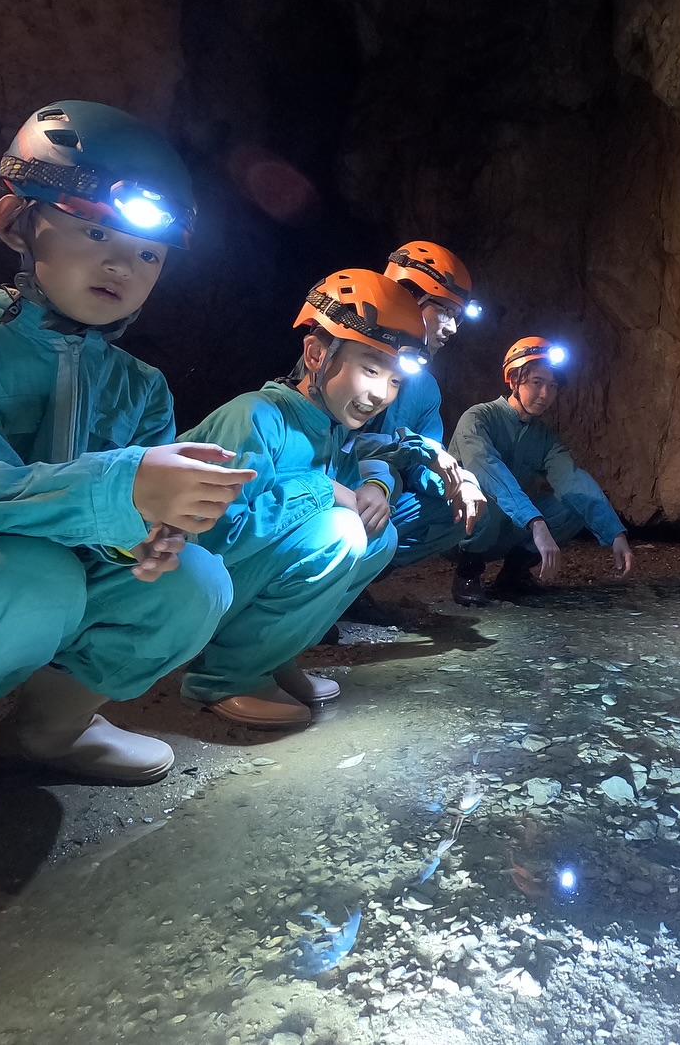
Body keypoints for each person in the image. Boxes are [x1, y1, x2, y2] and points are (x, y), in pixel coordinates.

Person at [0, 100, 254, 868]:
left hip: (31, 576)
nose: (122, 265)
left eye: (149, 254)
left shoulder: (139, 388)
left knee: (193, 582)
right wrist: (128, 485)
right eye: (97, 232)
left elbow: (123, 520)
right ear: (19, 223)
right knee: (34, 581)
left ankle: (50, 731)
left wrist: (161, 531)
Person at [178, 269, 467, 729]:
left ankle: (273, 655)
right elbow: (216, 540)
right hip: (177, 590)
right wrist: (320, 489)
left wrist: (378, 488)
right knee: (342, 530)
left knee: (379, 535)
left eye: (393, 380)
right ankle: (223, 676)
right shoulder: (255, 417)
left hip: (235, 582)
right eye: (370, 370)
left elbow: (369, 466)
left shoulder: (331, 431)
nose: (380, 394)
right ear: (316, 354)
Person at [343, 243, 486, 623]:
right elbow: (324, 446)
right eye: (444, 311)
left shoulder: (423, 387)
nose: (452, 328)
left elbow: (425, 460)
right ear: (406, 296)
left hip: (381, 498)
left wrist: (455, 480)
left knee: (455, 507)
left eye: (458, 316)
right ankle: (297, 593)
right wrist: (384, 473)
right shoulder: (344, 358)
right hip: (329, 491)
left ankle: (347, 587)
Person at [448, 337, 633, 606]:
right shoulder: (478, 418)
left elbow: (571, 479)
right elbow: (488, 470)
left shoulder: (543, 436)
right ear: (513, 380)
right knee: (490, 497)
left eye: (553, 386)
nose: (546, 394)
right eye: (537, 382)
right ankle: (467, 573)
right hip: (458, 527)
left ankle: (514, 574)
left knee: (573, 505)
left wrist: (616, 534)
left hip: (508, 526)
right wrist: (536, 522)